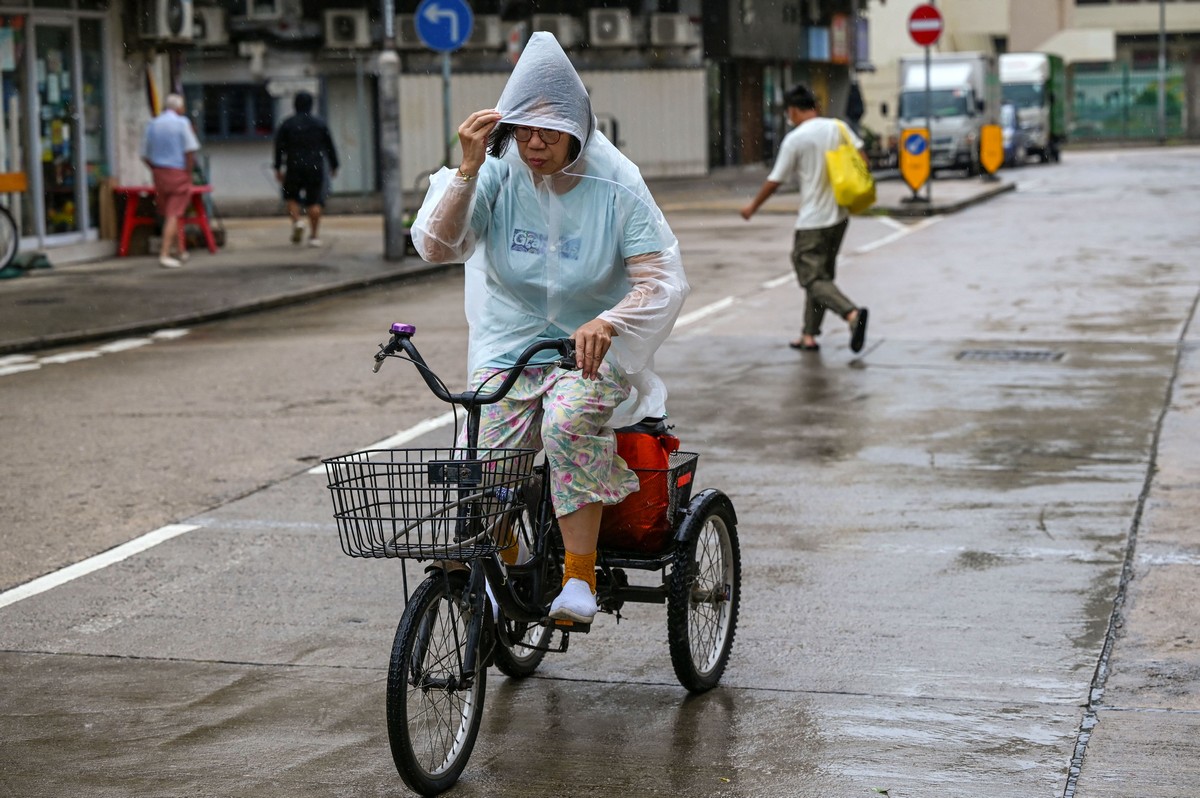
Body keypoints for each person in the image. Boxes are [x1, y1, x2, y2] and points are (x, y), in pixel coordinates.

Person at [410, 32, 689, 624]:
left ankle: (578, 579)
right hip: (510, 342)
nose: (534, 144)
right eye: (523, 130)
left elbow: (661, 280)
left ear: (578, 132)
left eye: (550, 132)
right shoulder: (496, 168)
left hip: (592, 346)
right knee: (481, 458)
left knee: (566, 425)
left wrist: (609, 322)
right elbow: (437, 245)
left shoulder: (616, 181)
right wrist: (465, 168)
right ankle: (506, 570)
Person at [741, 83, 870, 354]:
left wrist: (753, 206)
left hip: (813, 221)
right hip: (840, 217)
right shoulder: (839, 127)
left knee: (812, 279)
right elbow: (862, 162)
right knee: (821, 278)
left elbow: (775, 180)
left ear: (793, 110)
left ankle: (851, 314)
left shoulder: (796, 138)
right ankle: (808, 335)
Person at [140, 93, 200, 269]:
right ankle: (165, 253)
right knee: (173, 213)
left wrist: (155, 168)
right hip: (178, 171)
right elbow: (190, 151)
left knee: (172, 212)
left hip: (159, 172)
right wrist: (188, 173)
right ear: (179, 108)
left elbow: (144, 154)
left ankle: (180, 250)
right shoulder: (182, 123)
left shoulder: (153, 124)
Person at [273, 91, 339, 247]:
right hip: (315, 166)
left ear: (294, 105)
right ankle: (314, 236)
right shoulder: (320, 123)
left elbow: (278, 148)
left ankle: (297, 222)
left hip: (294, 166)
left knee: (291, 197)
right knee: (315, 201)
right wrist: (334, 165)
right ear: (311, 105)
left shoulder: (287, 124)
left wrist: (277, 167)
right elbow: (330, 146)